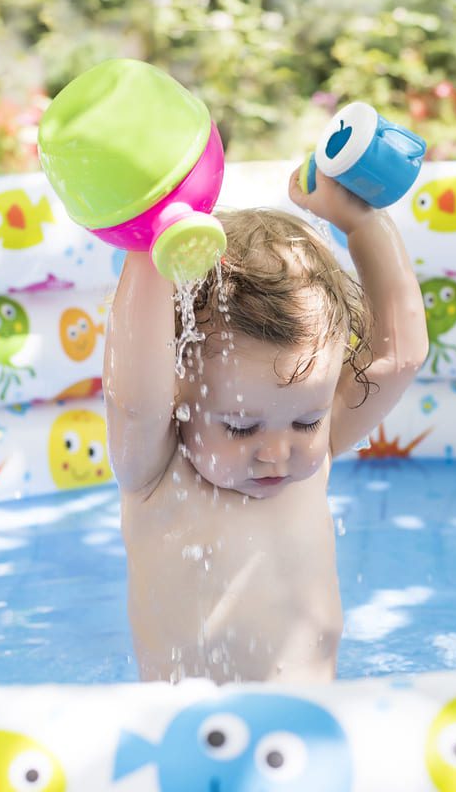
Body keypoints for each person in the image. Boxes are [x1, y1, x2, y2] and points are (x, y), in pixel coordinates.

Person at [104, 165, 428, 683]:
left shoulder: (316, 450)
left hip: (314, 724)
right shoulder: (157, 468)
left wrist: (361, 223)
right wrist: (150, 247)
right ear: (178, 389)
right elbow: (133, 400)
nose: (278, 452)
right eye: (239, 427)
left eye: (306, 420)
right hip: (195, 736)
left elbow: (399, 356)